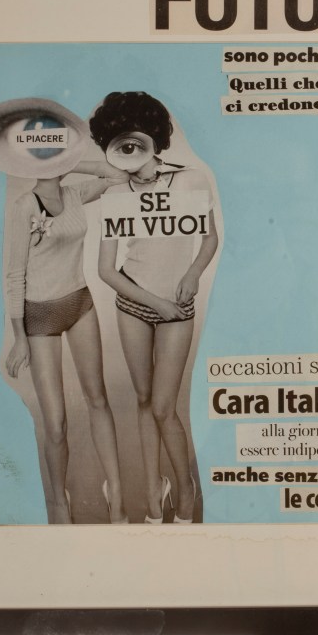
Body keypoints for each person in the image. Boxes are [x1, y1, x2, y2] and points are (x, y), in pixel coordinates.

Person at [0, 97, 131, 525]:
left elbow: (116, 173)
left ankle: (117, 495)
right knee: (57, 421)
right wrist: (19, 337)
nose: (54, 155)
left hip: (80, 302)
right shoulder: (25, 207)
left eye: (58, 148)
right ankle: (58, 502)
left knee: (98, 399)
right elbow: (14, 275)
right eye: (45, 150)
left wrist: (72, 163)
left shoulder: (76, 193)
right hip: (40, 316)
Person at [91, 92, 219, 524]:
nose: (128, 150)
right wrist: (154, 303)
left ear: (154, 136)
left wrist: (193, 275)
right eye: (117, 143)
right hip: (133, 304)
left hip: (178, 307)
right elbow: (106, 270)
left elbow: (210, 238)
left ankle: (185, 488)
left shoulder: (190, 180)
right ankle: (152, 492)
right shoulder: (115, 193)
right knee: (144, 400)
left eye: (135, 140)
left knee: (165, 407)